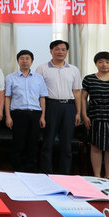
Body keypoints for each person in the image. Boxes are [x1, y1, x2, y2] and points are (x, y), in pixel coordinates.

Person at [35, 40, 82, 174]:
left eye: (63, 49)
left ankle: (64, 174)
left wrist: (78, 113)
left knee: (66, 143)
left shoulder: (73, 69)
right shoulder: (42, 68)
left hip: (69, 107)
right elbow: (38, 93)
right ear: (51, 51)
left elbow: (77, 92)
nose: (60, 52)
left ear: (67, 52)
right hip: (51, 106)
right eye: (57, 49)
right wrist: (42, 114)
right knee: (48, 142)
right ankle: (46, 173)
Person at [4, 49, 48, 172]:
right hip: (18, 114)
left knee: (33, 143)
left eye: (27, 58)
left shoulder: (39, 78)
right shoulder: (10, 78)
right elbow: (7, 98)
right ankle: (17, 170)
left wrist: (42, 116)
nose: (25, 61)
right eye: (22, 58)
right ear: (18, 61)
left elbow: (42, 98)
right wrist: (8, 116)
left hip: (35, 114)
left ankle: (31, 171)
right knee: (18, 143)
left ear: (32, 61)